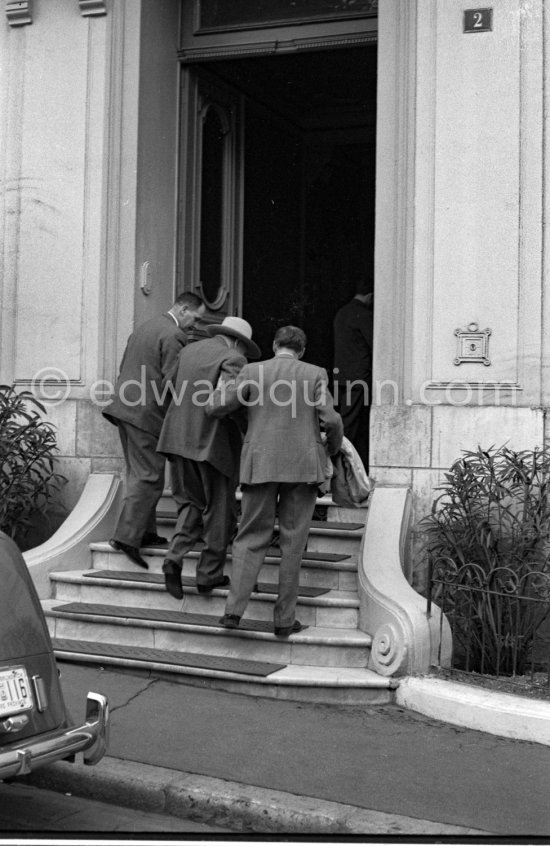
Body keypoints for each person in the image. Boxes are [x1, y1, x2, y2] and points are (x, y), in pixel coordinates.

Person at [209, 325, 343, 637]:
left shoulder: (252, 371)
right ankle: (284, 619)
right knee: (293, 543)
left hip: (261, 463)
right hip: (302, 467)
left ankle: (233, 611)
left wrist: (221, 388)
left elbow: (217, 407)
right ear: (302, 349)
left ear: (273, 345)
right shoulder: (315, 373)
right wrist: (332, 448)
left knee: (250, 537)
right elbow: (332, 419)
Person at [157, 316, 260, 599]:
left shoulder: (187, 350)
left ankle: (173, 558)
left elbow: (165, 388)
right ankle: (209, 575)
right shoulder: (233, 359)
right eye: (244, 349)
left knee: (190, 504)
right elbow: (224, 402)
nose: (243, 355)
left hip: (177, 440)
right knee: (219, 510)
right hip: (212, 445)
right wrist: (249, 425)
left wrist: (181, 416)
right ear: (238, 342)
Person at [102, 292, 205, 569]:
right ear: (183, 310)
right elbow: (174, 382)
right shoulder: (174, 335)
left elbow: (126, 368)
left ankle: (145, 532)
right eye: (195, 318)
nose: (195, 326)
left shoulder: (145, 327)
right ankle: (126, 537)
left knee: (139, 474)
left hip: (125, 409)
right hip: (146, 414)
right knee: (149, 477)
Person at [333, 281, 373, 471]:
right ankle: (339, 471)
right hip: (358, 380)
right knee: (350, 428)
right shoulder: (364, 315)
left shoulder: (342, 312)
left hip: (342, 377)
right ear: (370, 296)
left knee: (349, 425)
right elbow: (375, 345)